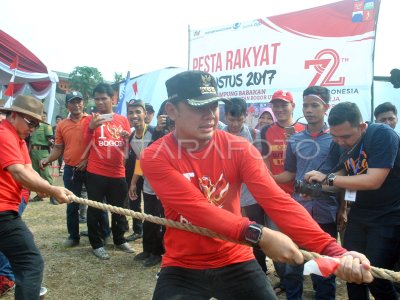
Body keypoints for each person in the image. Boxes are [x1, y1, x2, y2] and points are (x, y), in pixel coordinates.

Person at [140, 70, 373, 300]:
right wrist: (259, 234)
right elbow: (197, 209)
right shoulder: (155, 156)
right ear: (171, 110)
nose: (210, 115)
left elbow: (277, 201)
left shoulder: (239, 148)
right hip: (182, 265)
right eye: (198, 107)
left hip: (234, 258)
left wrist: (332, 250)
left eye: (213, 106)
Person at [305, 101, 400, 300]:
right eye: (334, 135)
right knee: (349, 271)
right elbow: (339, 177)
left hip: (388, 215)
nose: (340, 141)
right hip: (359, 213)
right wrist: (316, 187)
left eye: (346, 136)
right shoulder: (340, 142)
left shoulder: (382, 134)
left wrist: (327, 179)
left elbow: (374, 180)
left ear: (362, 127)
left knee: (374, 275)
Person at [0, 95, 72, 299]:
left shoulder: (19, 140)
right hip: (2, 212)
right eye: (30, 123)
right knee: (30, 262)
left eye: (36, 125)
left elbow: (28, 170)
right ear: (13, 115)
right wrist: (52, 191)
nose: (33, 129)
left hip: (6, 209)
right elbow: (19, 173)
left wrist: (47, 186)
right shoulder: (4, 134)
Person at [273, 86, 339, 299]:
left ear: (326, 107)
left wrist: (344, 210)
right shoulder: (294, 140)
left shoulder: (336, 139)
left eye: (315, 105)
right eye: (305, 105)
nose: (309, 110)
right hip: (298, 209)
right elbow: (289, 173)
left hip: (326, 210)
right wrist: (262, 178)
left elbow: (342, 177)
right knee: (293, 262)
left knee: (324, 265)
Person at [40, 91, 111, 248]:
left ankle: (105, 234)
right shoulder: (62, 125)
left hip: (93, 168)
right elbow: (58, 148)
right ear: (67, 106)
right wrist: (48, 159)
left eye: (79, 101)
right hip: (71, 170)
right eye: (72, 102)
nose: (76, 104)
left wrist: (87, 160)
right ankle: (73, 236)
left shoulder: (94, 119)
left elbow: (101, 144)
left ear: (83, 103)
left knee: (98, 203)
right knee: (71, 202)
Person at [260, 90, 306, 295]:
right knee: (277, 243)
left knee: (297, 243)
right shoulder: (266, 131)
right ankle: (286, 282)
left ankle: (295, 284)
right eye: (276, 105)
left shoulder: (304, 129)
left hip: (300, 197)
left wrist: (296, 140)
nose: (279, 109)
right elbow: (265, 162)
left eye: (284, 105)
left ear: (293, 106)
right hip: (275, 196)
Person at [82, 83, 134, 260]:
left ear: (113, 99)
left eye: (104, 98)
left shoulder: (122, 120)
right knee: (95, 209)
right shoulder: (91, 119)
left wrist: (127, 139)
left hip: (118, 172)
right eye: (97, 99)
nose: (100, 102)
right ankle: (96, 244)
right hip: (96, 172)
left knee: (119, 210)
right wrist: (91, 128)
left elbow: (127, 145)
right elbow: (84, 142)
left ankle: (119, 239)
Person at [221, 97, 269, 274]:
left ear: (245, 116)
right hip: (225, 194)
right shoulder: (217, 134)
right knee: (229, 231)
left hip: (249, 194)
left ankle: (260, 269)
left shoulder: (254, 135)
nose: (235, 124)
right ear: (225, 116)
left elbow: (260, 164)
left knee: (255, 231)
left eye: (239, 119)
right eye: (231, 120)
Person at [128, 99, 165, 267]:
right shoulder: (131, 137)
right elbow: (139, 160)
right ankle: (147, 249)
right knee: (148, 217)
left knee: (159, 219)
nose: (134, 115)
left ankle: (158, 253)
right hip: (147, 185)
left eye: (138, 112)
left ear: (146, 114)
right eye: (131, 112)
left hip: (161, 187)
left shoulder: (156, 132)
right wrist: (134, 183)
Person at [29, 111, 57, 204]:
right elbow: (30, 141)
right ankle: (39, 194)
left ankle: (53, 196)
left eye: (45, 116)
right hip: (33, 152)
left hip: (43, 152)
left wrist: (52, 153)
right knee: (36, 175)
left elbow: (51, 140)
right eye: (42, 116)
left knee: (45, 174)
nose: (43, 117)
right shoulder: (32, 126)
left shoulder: (46, 126)